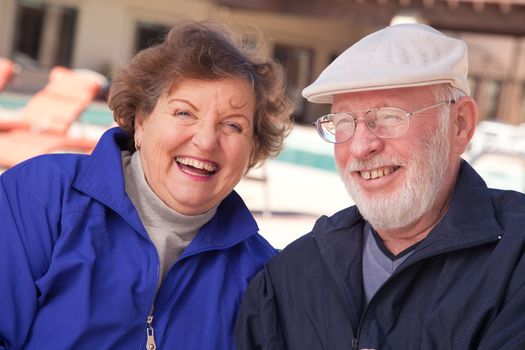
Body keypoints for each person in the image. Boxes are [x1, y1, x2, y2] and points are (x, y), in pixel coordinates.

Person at [0, 21, 292, 349]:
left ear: (253, 149)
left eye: (232, 126)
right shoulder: (37, 198)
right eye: (184, 113)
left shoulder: (261, 276)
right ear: (141, 123)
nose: (206, 141)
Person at [235, 23, 525, 350]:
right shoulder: (291, 276)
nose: (360, 147)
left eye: (389, 116)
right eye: (343, 121)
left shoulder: (515, 260)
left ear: (460, 125)